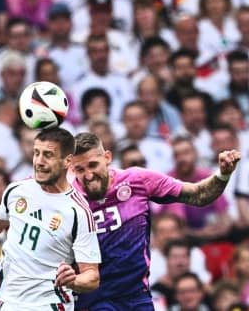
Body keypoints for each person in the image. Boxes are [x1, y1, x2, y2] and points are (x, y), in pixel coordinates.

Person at [70, 132, 241, 310]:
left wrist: (222, 175)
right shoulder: (67, 201)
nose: (88, 175)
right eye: (80, 170)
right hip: (93, 300)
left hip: (136, 296)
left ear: (107, 158)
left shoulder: (137, 180)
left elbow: (198, 195)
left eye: (93, 165)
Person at [0, 127, 101, 308]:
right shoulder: (18, 190)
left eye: (48, 155)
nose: (39, 161)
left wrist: (74, 281)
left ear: (67, 161)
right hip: (11, 301)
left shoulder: (78, 211)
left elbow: (92, 275)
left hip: (49, 304)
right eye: (36, 153)